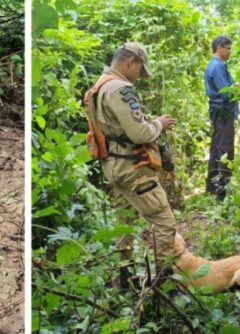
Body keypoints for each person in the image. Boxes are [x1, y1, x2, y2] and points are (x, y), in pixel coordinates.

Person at [86, 42, 178, 288]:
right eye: (140, 70)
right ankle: (163, 284)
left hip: (113, 168)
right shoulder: (120, 89)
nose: (139, 77)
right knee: (163, 220)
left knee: (123, 224)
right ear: (131, 62)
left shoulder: (99, 85)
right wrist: (158, 123)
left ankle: (124, 279)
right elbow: (139, 133)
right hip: (133, 170)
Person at [204, 35, 238, 202]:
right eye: (228, 48)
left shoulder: (217, 65)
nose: (230, 52)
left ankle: (212, 187)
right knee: (225, 150)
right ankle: (222, 192)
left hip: (220, 113)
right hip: (223, 113)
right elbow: (226, 92)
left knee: (217, 148)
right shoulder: (217, 67)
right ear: (219, 48)